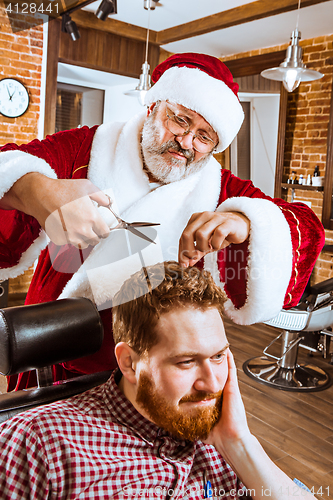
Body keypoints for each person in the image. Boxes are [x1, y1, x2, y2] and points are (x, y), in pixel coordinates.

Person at [0, 53, 325, 390]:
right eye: (180, 120)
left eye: (204, 137)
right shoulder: (85, 149)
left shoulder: (219, 188)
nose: (186, 143)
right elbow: (8, 166)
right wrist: (40, 190)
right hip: (56, 354)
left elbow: (305, 229)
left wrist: (244, 222)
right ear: (153, 106)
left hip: (163, 371)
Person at [0, 262, 317, 499]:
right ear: (129, 362)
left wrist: (241, 446)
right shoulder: (41, 442)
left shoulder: (222, 434)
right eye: (186, 361)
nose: (210, 384)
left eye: (218, 356)